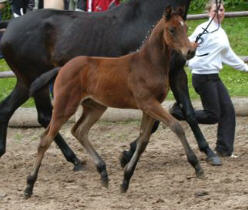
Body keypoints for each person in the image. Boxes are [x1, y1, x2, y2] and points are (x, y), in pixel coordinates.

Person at [170, 0, 248, 157]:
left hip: (214, 76)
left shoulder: (220, 32)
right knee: (213, 115)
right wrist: (192, 48)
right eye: (215, 10)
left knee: (228, 111)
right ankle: (179, 111)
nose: (219, 13)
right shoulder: (203, 29)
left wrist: (245, 68)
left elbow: (228, 55)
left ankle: (224, 150)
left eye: (221, 10)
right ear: (208, 13)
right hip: (202, 76)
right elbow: (186, 44)